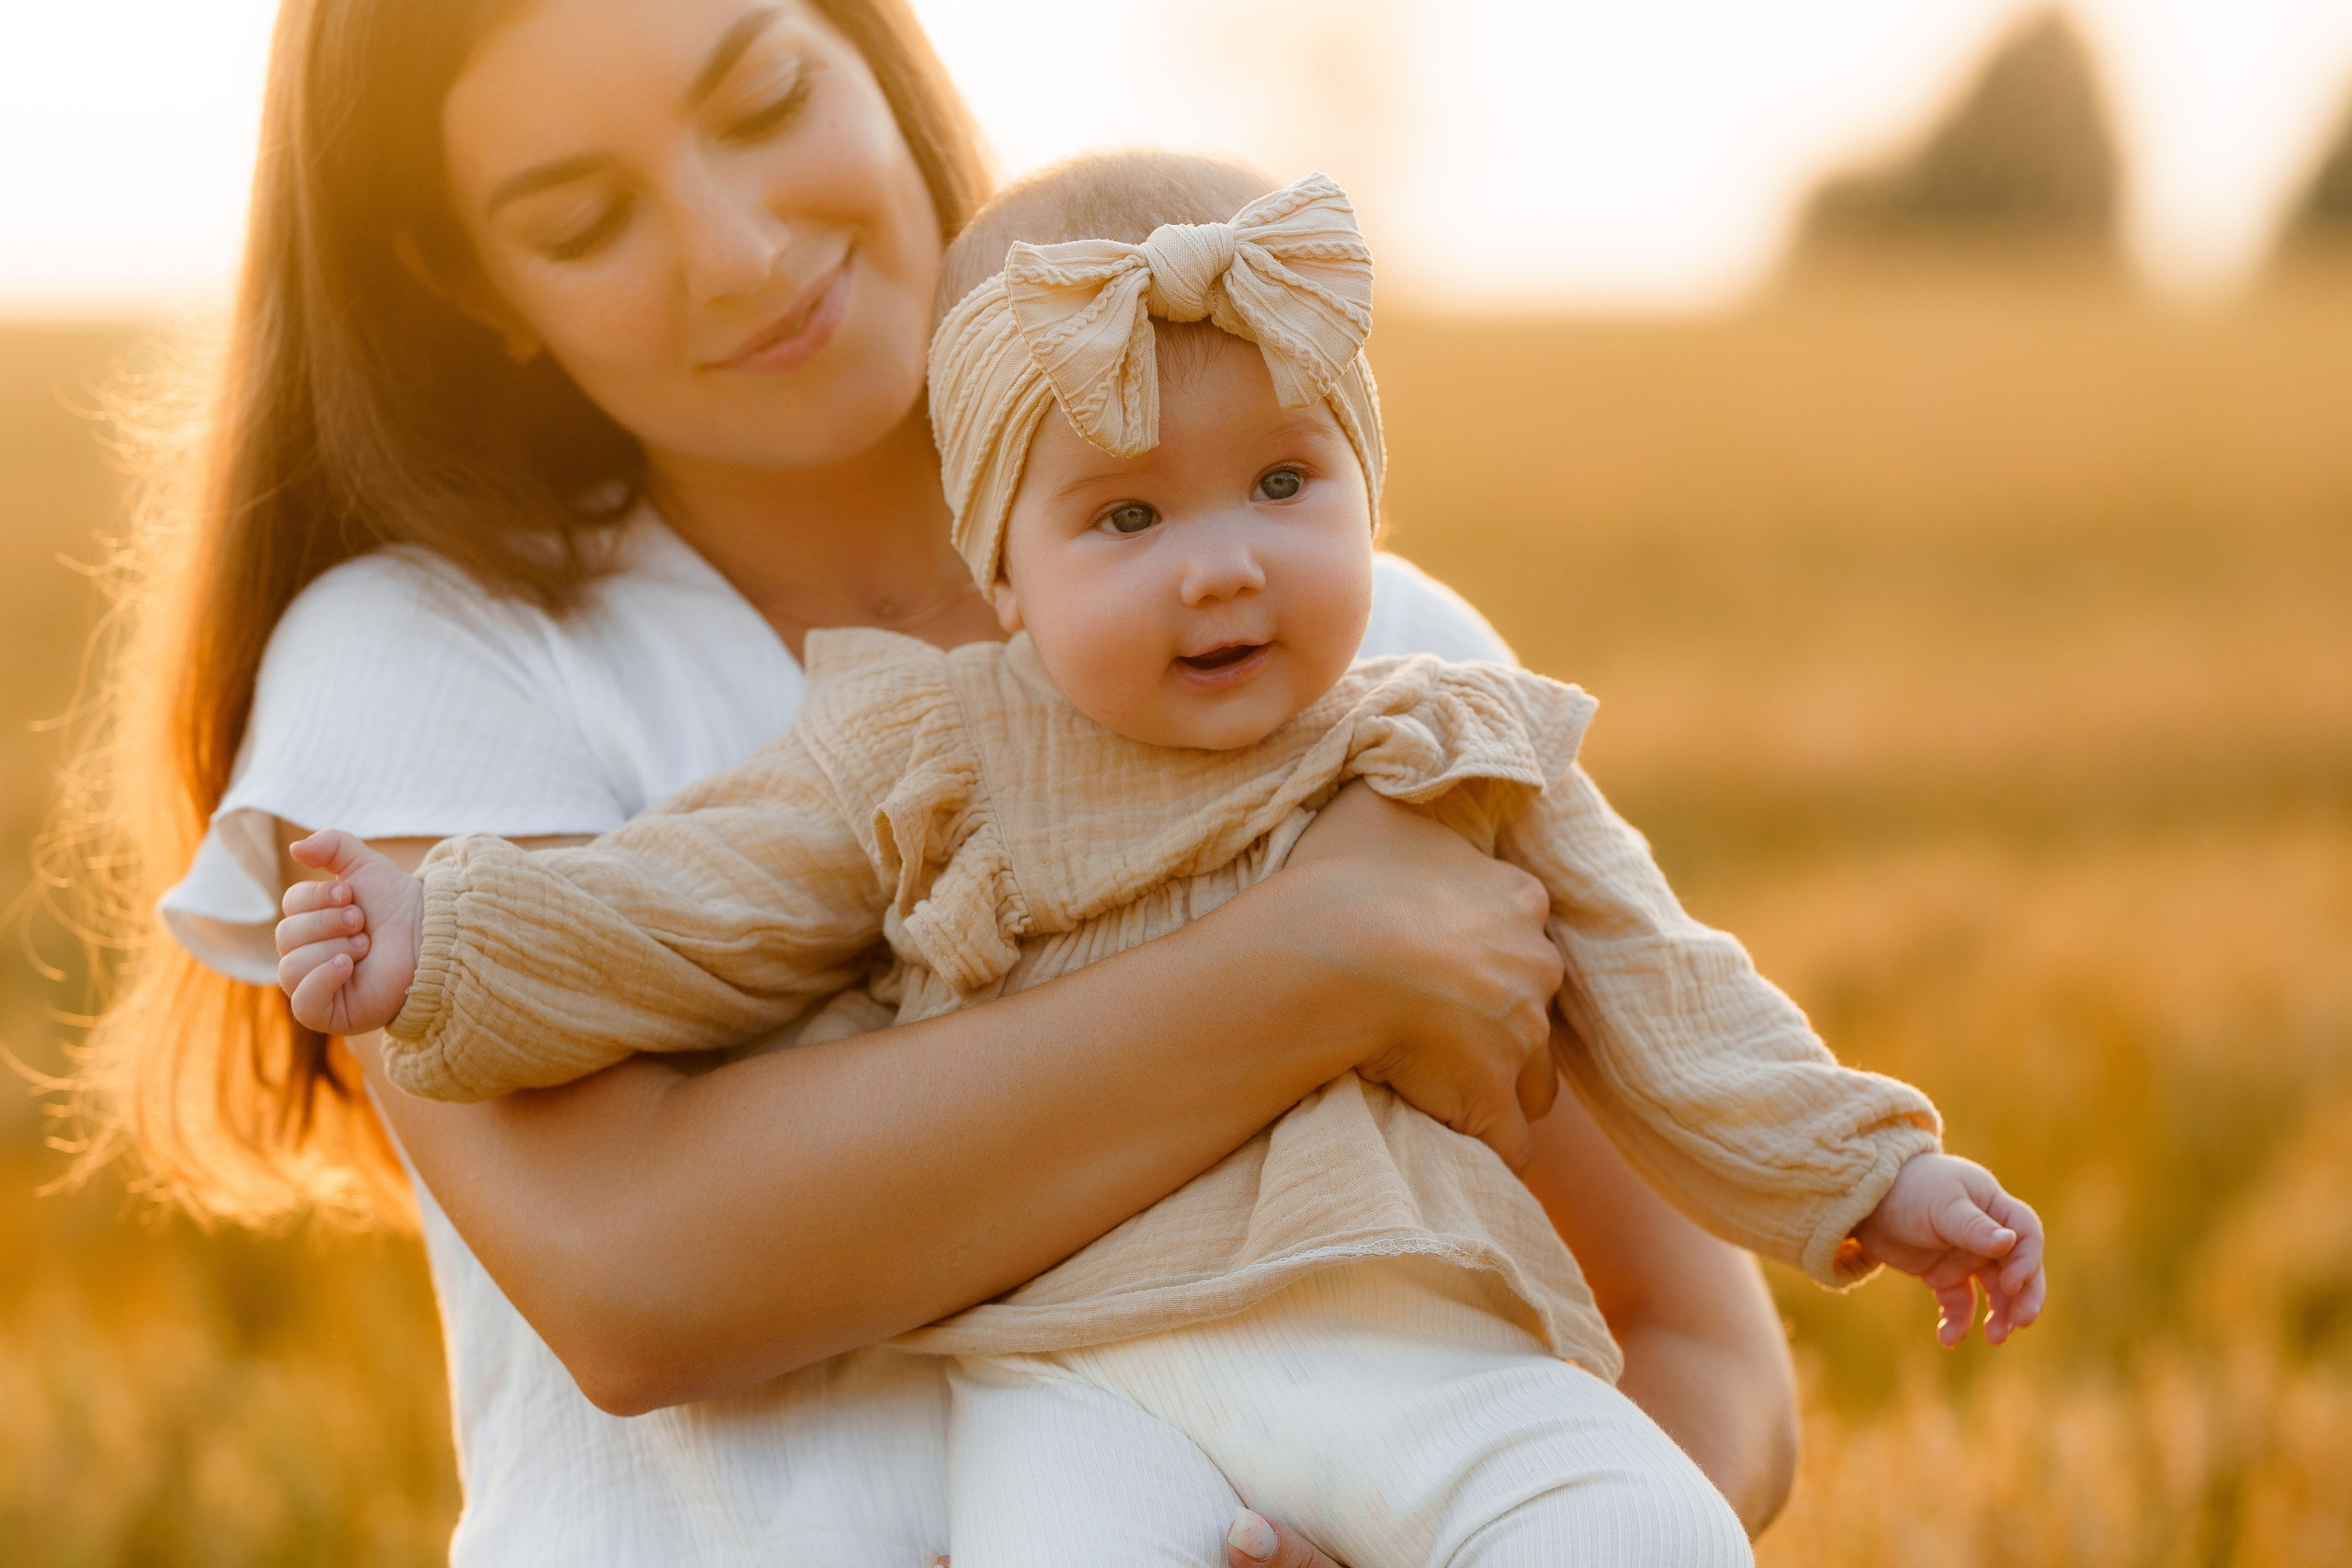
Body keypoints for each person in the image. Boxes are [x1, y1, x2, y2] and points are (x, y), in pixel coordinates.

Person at [73, 0, 1801, 1561]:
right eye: (585, 219)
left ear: (869, 52)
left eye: (763, 99)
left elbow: (1696, 1343)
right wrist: (1318, 960)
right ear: (468, 288)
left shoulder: (1366, 654)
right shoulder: (430, 658)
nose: (740, 252)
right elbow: (637, 1279)